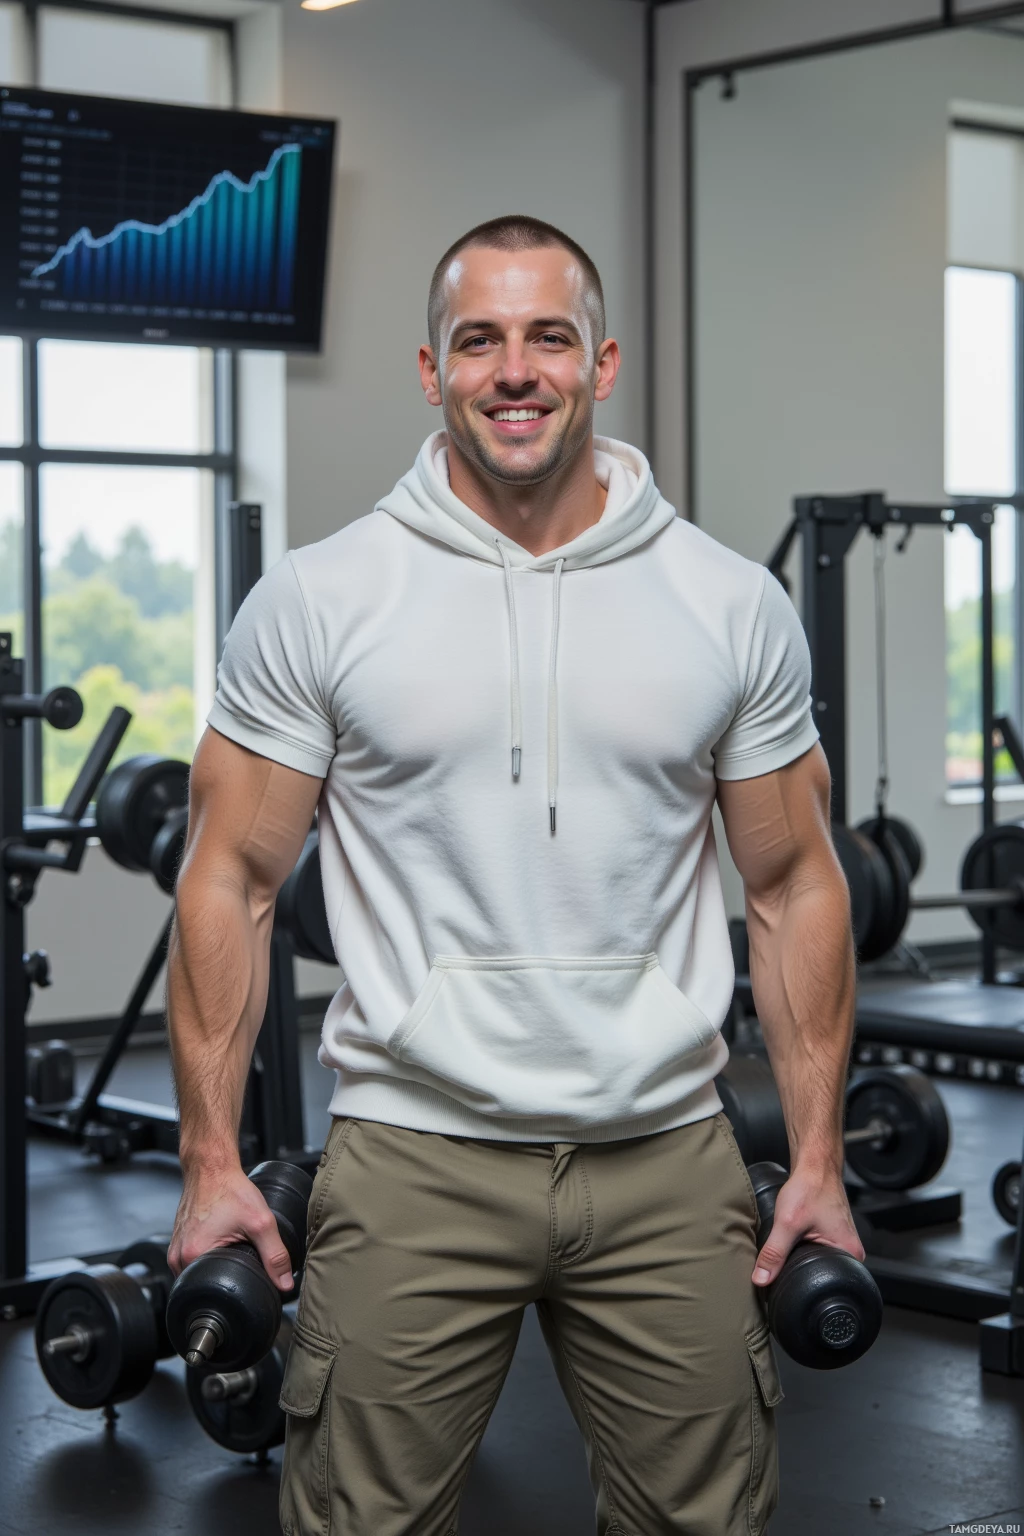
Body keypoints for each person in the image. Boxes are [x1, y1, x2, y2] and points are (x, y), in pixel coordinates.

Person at [167, 214, 863, 1536]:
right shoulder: (325, 598)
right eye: (478, 339)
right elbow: (230, 878)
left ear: (601, 363)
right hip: (414, 1149)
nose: (516, 369)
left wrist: (819, 1156)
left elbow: (795, 887)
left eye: (548, 336)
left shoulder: (725, 603)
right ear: (431, 372)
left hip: (667, 1155)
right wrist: (210, 1160)